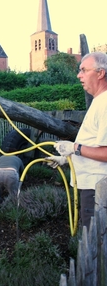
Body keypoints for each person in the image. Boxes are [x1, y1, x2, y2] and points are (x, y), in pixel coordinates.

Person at [46, 52, 107, 230]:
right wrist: (67, 158)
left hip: (97, 188)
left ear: (101, 73)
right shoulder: (99, 102)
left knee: (96, 242)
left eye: (83, 70)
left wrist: (74, 147)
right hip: (91, 186)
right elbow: (95, 144)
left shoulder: (104, 104)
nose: (78, 75)